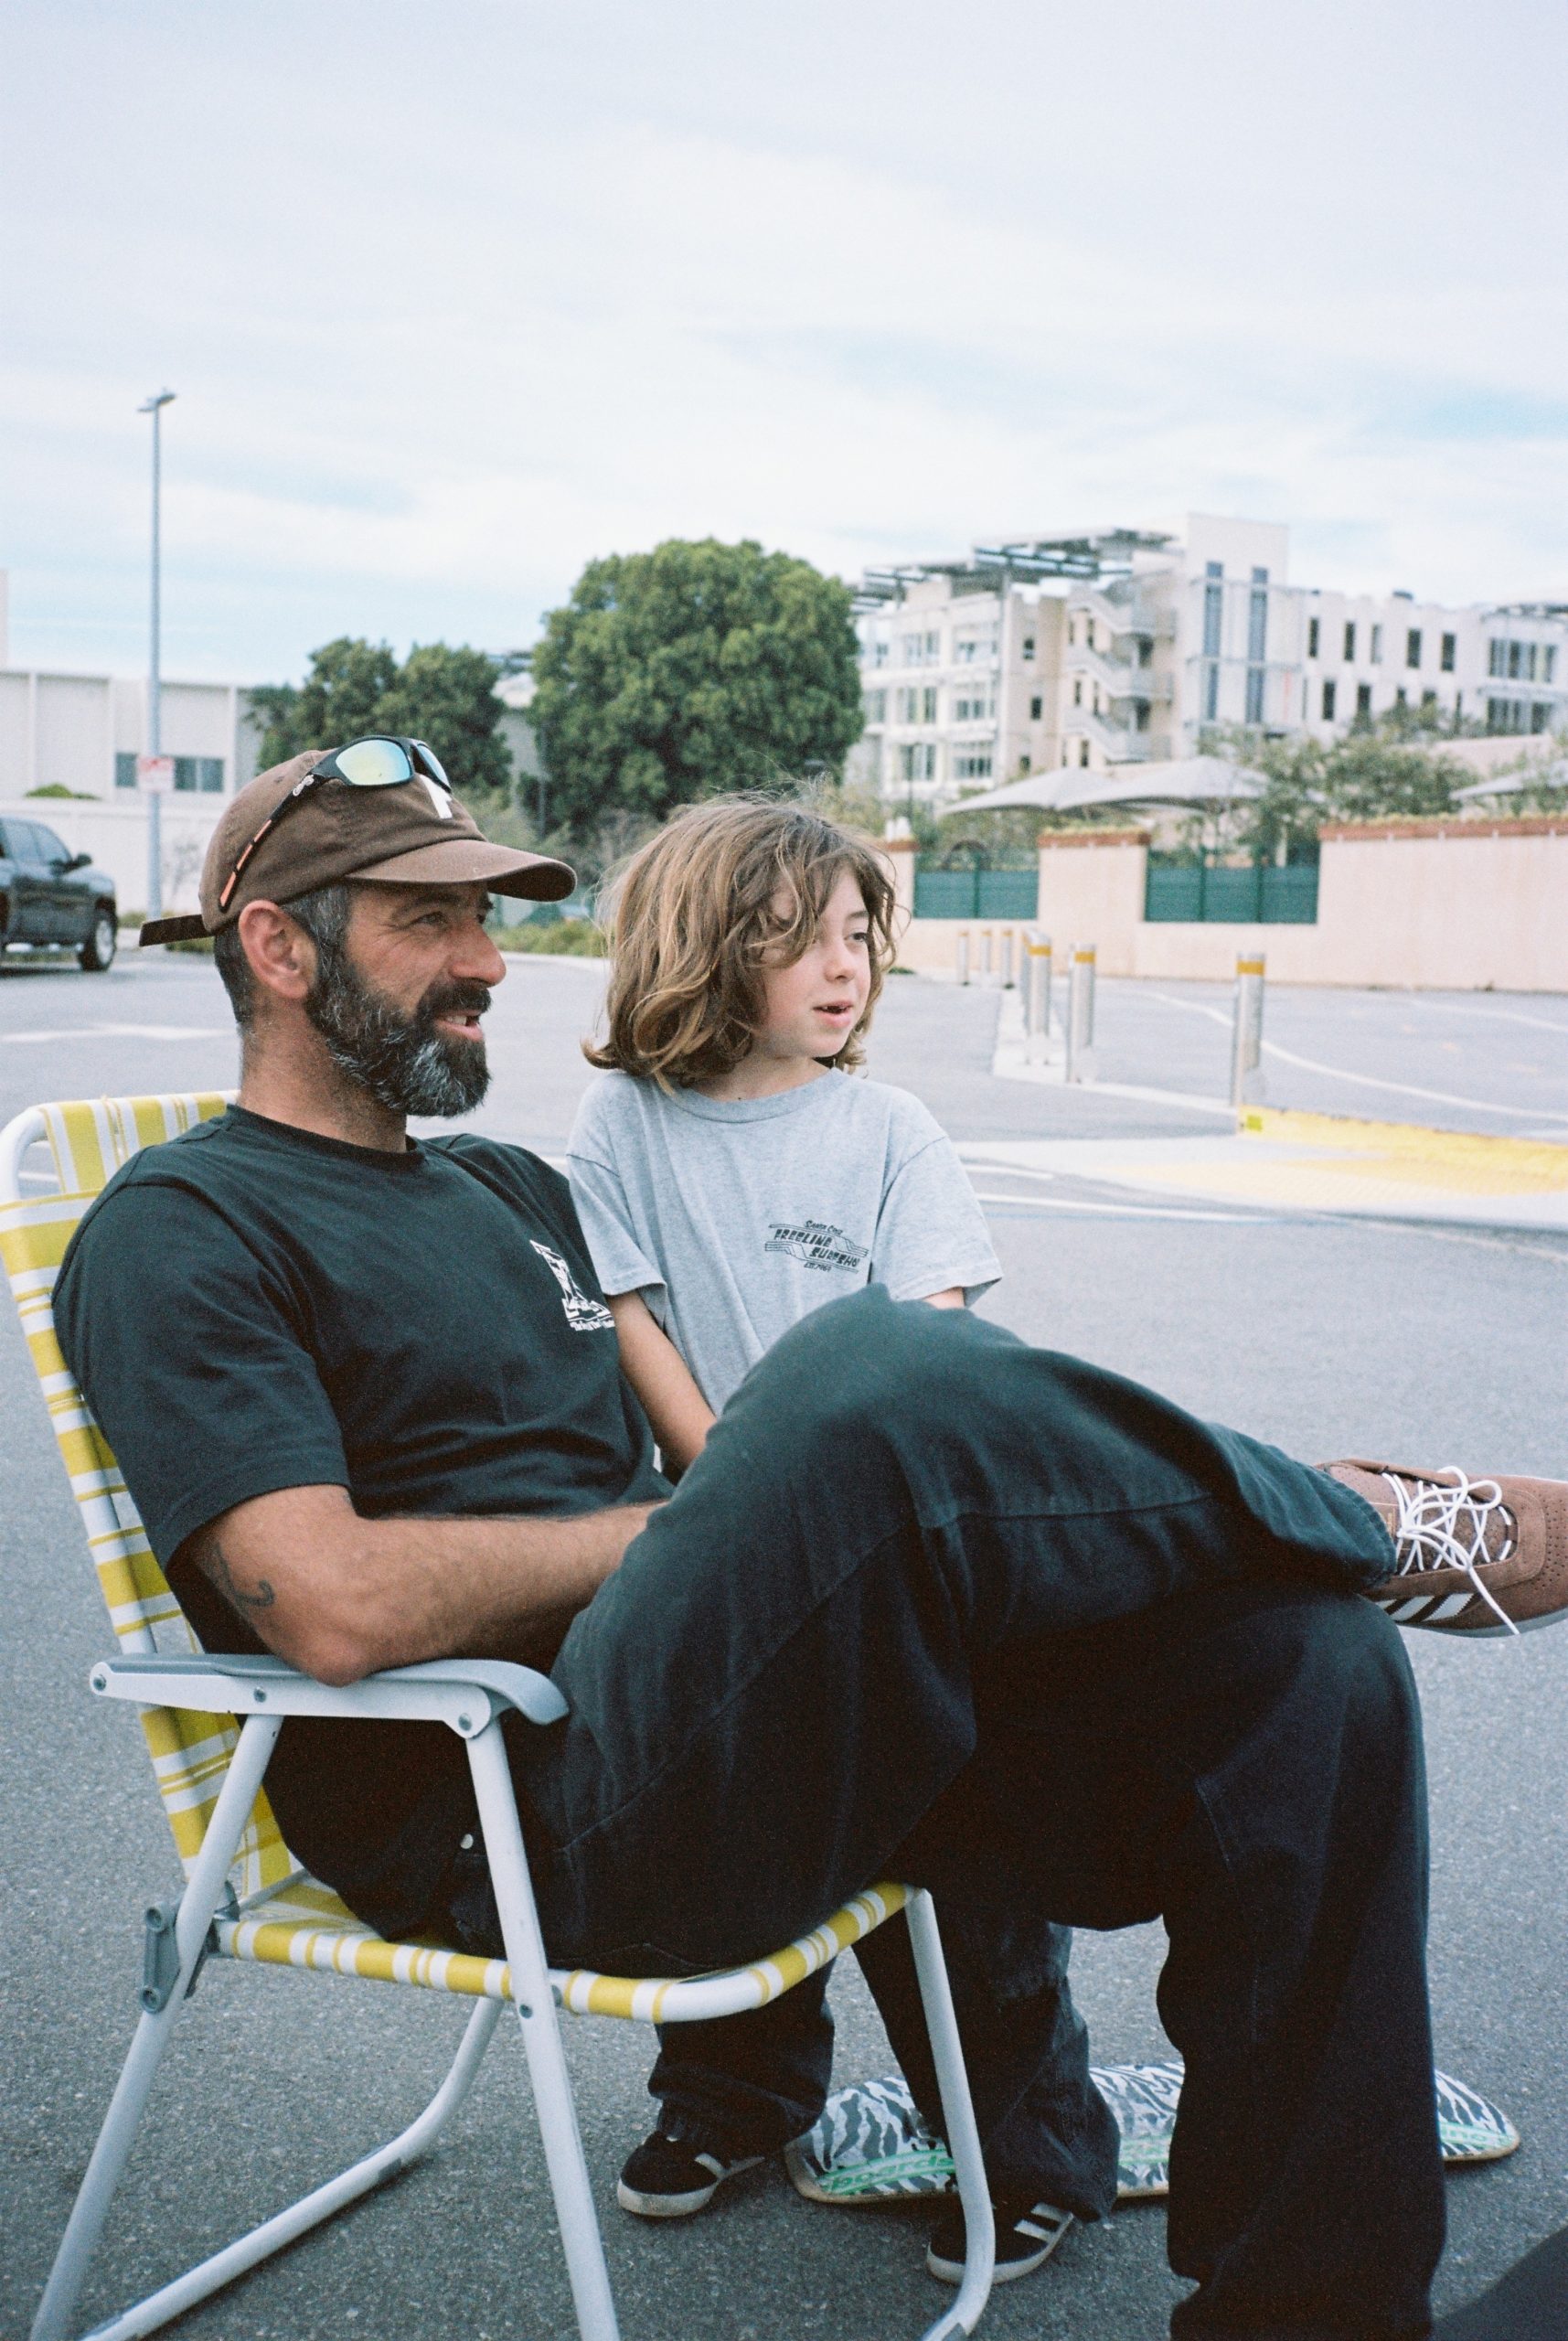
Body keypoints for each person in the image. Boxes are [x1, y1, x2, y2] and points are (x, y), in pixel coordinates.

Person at [55, 743, 1568, 2341]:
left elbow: (709, 1432)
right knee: (863, 1371)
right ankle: (1365, 1518)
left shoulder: (508, 1187)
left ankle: (1316, 2311)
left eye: (486, 919)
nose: (488, 962)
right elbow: (330, 1606)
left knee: (1305, 1672)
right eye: (432, 922)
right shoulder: (183, 1226)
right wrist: (692, 1530)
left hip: (751, 1726)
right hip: (528, 1814)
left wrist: (762, 1525)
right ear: (280, 949)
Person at [565, 795, 1104, 2267]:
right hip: (718, 1551)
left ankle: (1024, 2147)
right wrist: (743, 1506)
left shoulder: (888, 1129)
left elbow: (925, 1354)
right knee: (733, 1830)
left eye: (860, 935)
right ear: (701, 946)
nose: (844, 965)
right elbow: (630, 1323)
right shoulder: (621, 1127)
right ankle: (733, 2097)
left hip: (896, 1558)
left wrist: (812, 1507)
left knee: (962, 1850)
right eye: (799, 938)